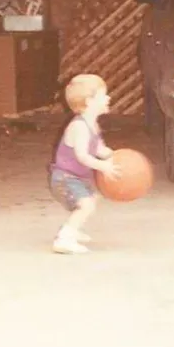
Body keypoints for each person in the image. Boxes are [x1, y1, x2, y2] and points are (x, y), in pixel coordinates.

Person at [48, 74, 121, 254]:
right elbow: (82, 156)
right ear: (89, 101)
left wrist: (115, 156)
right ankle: (64, 239)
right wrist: (103, 166)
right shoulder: (79, 127)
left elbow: (99, 148)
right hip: (65, 178)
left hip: (77, 178)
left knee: (93, 199)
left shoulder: (92, 124)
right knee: (86, 205)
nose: (108, 98)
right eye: (103, 95)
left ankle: (74, 227)